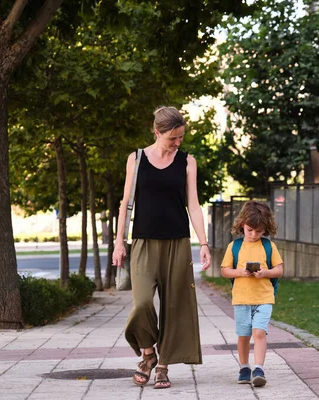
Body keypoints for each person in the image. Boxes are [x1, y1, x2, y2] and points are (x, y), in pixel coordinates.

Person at [112, 106, 211, 389]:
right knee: (142, 303)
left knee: (174, 306)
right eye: (172, 138)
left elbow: (193, 204)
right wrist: (120, 242)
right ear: (157, 132)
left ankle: (162, 364)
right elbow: (125, 204)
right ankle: (147, 352)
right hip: (143, 242)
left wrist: (203, 242)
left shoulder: (187, 162)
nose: (177, 142)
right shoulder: (137, 159)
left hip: (177, 243)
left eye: (180, 137)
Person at [220, 200, 283, 387]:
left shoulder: (268, 247)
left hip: (263, 298)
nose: (254, 234)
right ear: (242, 225)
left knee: (259, 332)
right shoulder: (234, 247)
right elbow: (225, 270)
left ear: (266, 229)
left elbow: (279, 270)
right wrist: (240, 272)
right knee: (243, 335)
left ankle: (259, 369)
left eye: (259, 231)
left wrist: (265, 272)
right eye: (250, 230)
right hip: (241, 299)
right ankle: (244, 367)